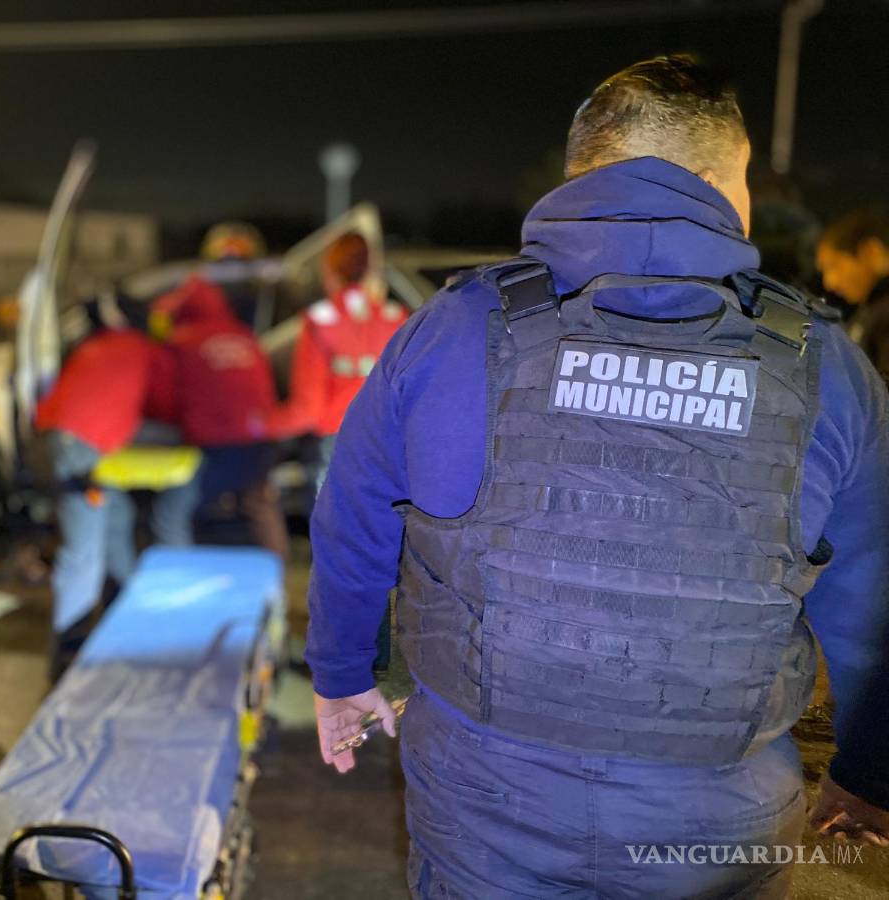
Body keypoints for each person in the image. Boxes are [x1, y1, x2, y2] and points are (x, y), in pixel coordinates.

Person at [308, 55, 889, 898]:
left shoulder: (454, 327)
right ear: (726, 179)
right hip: (710, 825)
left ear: (582, 173)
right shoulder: (826, 367)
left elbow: (354, 515)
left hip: (483, 800)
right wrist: (870, 773)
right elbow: (877, 598)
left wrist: (342, 675)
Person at [33, 296, 175, 671]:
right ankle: (68, 654)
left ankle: (126, 613)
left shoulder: (102, 343)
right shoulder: (145, 351)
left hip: (62, 437)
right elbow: (167, 401)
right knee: (84, 551)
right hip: (79, 445)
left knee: (116, 518)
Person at [150, 274, 289, 558]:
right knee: (261, 507)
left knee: (169, 514)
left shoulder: (180, 343)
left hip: (213, 450)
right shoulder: (246, 337)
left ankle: (181, 589)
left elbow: (162, 402)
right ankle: (276, 591)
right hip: (260, 444)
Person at [259, 231, 406, 483]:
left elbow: (308, 409)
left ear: (329, 272)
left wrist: (262, 424)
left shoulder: (320, 322)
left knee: (332, 520)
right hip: (388, 443)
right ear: (371, 270)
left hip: (336, 444)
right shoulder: (395, 317)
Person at [816, 210, 889, 378]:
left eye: (834, 266)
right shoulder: (871, 311)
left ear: (871, 252)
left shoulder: (883, 314)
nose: (829, 282)